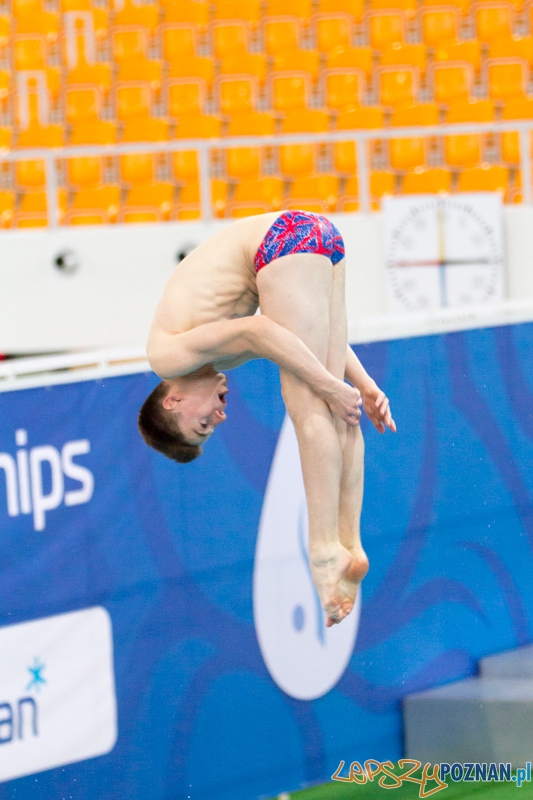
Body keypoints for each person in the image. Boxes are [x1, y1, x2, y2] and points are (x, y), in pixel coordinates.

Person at [140, 211, 396, 627]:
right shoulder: (213, 349)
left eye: (202, 424)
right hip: (318, 234)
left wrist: (331, 387)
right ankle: (349, 542)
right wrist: (363, 384)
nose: (219, 416)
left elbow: (263, 333)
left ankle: (323, 549)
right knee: (338, 408)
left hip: (283, 241)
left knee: (311, 402)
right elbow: (302, 335)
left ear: (172, 402)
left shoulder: (167, 356)